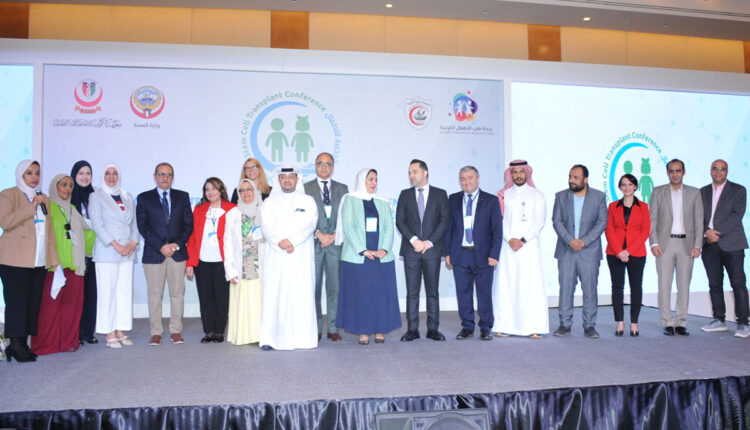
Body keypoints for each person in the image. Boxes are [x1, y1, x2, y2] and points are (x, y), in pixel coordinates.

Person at [0, 160, 58, 362]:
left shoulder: (44, 199)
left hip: (38, 260)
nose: (34, 177)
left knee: (32, 303)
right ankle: (14, 345)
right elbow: (5, 222)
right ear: (20, 175)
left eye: (37, 173)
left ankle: (23, 343)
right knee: (17, 303)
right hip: (14, 260)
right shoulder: (8, 194)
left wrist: (54, 258)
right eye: (29, 173)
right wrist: (31, 206)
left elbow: (49, 232)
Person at [336, 168, 402, 345]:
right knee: (361, 295)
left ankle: (380, 329)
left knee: (380, 294)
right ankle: (362, 331)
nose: (374, 183)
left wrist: (384, 249)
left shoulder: (382, 202)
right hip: (358, 257)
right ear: (361, 180)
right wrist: (363, 250)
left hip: (381, 257)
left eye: (376, 179)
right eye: (370, 179)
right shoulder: (350, 199)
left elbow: (388, 227)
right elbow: (348, 227)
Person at [258, 166, 318, 350]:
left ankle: (303, 339)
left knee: (300, 295)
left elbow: (310, 224)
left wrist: (292, 241)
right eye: (283, 177)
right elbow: (266, 227)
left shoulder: (307, 201)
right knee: (275, 296)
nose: (287, 180)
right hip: (276, 255)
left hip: (300, 255)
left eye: (291, 177)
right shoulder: (269, 202)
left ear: (297, 179)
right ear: (278, 180)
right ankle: (271, 339)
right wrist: (280, 242)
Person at [31, 174, 90, 355]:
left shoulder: (73, 209)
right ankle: (46, 345)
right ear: (54, 186)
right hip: (54, 266)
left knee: (72, 308)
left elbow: (88, 232)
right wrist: (52, 260)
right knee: (49, 309)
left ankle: (67, 343)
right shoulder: (47, 206)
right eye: (63, 185)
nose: (67, 189)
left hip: (74, 266)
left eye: (70, 186)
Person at [136, 162, 194, 346]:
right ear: (155, 176)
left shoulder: (183, 197)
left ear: (173, 177)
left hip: (177, 254)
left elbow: (188, 225)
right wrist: (161, 246)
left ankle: (176, 331)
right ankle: (156, 332)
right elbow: (143, 226)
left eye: (168, 174)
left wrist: (176, 245)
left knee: (177, 294)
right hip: (154, 254)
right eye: (161, 174)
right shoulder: (144, 198)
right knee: (154, 295)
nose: (165, 177)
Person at [445, 166, 502, 341]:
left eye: (470, 177)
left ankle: (486, 327)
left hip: (483, 255)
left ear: (477, 179)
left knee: (484, 293)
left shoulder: (491, 200)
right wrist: (447, 253)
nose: (466, 182)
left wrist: (494, 254)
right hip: (460, 253)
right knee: (463, 293)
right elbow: (448, 229)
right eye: (462, 178)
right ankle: (467, 327)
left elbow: (497, 230)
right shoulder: (453, 199)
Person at [396, 159, 450, 342]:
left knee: (432, 291)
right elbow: (400, 221)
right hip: (411, 250)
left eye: (414, 172)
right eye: (409, 173)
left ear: (425, 173)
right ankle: (412, 330)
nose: (411, 175)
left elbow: (444, 221)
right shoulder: (404, 195)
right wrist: (414, 240)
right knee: (412, 292)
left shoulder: (440, 194)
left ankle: (433, 329)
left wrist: (428, 242)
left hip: (432, 250)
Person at [492, 160, 548, 338]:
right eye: (514, 172)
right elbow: (498, 221)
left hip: (529, 247)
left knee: (530, 286)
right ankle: (504, 326)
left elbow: (539, 223)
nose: (518, 175)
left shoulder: (537, 195)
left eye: (521, 172)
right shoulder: (503, 195)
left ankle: (533, 327)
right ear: (511, 174)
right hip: (508, 247)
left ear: (527, 173)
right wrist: (510, 238)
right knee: (507, 285)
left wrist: (523, 240)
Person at [551, 164, 607, 339]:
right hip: (566, 250)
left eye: (575, 177)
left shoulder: (599, 197)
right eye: (570, 176)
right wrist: (570, 241)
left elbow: (602, 222)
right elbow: (557, 221)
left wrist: (584, 241)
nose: (571, 180)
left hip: (589, 251)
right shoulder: (561, 196)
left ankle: (589, 326)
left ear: (585, 179)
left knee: (590, 290)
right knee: (565, 289)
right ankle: (564, 324)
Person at [649, 159, 703, 336]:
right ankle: (667, 321)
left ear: (684, 172)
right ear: (667, 173)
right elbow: (652, 220)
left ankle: (681, 322)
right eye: (671, 171)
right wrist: (654, 242)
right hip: (664, 244)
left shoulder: (694, 193)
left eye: (678, 170)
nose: (675, 174)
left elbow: (698, 221)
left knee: (684, 285)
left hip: (687, 244)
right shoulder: (658, 192)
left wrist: (697, 245)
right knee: (664, 284)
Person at [89, 164, 139, 348]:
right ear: (103, 176)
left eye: (115, 173)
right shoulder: (96, 196)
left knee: (123, 292)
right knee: (107, 292)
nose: (111, 177)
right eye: (107, 174)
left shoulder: (127, 196)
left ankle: (120, 328)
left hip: (127, 251)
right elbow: (97, 224)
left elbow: (134, 224)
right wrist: (116, 245)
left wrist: (132, 244)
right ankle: (109, 331)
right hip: (108, 251)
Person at [699, 159, 750, 338]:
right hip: (709, 244)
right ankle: (719, 320)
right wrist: (706, 232)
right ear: (710, 171)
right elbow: (697, 216)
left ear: (727, 171)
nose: (718, 172)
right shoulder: (703, 191)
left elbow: (737, 215)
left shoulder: (739, 190)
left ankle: (743, 323)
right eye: (715, 168)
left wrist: (716, 233)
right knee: (714, 284)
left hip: (732, 244)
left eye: (722, 169)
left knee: (738, 283)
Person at [303, 152, 349, 342]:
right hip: (313, 244)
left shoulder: (342, 188)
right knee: (313, 289)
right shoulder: (305, 188)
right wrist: (318, 234)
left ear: (333, 167)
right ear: (315, 166)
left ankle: (332, 328)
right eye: (320, 163)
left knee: (334, 288)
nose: (324, 167)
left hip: (335, 245)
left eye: (328, 164)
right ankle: (314, 328)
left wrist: (334, 235)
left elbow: (346, 216)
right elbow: (302, 217)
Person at [186, 178, 236, 343]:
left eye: (214, 188)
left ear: (221, 190)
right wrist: (190, 262)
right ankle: (208, 331)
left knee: (222, 298)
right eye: (207, 189)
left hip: (223, 261)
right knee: (205, 298)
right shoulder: (199, 209)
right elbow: (192, 237)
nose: (210, 192)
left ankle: (219, 331)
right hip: (202, 261)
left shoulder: (232, 209)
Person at [605, 174, 650, 337]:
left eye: (630, 184)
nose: (627, 187)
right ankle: (619, 322)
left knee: (636, 287)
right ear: (620, 187)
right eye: (623, 184)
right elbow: (609, 230)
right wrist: (619, 251)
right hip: (614, 253)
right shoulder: (612, 206)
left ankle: (634, 323)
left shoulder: (643, 206)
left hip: (636, 253)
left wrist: (628, 251)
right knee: (617, 287)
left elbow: (645, 231)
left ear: (636, 186)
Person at [222, 179, 264, 345]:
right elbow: (227, 244)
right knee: (244, 303)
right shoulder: (232, 214)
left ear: (255, 191)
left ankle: (261, 335)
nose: (246, 193)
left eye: (249, 189)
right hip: (242, 268)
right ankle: (244, 336)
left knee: (260, 302)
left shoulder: (265, 210)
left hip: (262, 267)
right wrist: (230, 270)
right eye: (242, 190)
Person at [70, 160, 98, 345]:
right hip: (76, 252)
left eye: (88, 173)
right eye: (81, 173)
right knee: (75, 294)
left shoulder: (95, 196)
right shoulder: (68, 196)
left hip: (94, 252)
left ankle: (88, 332)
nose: (85, 177)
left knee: (90, 294)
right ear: (74, 175)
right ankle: (75, 333)